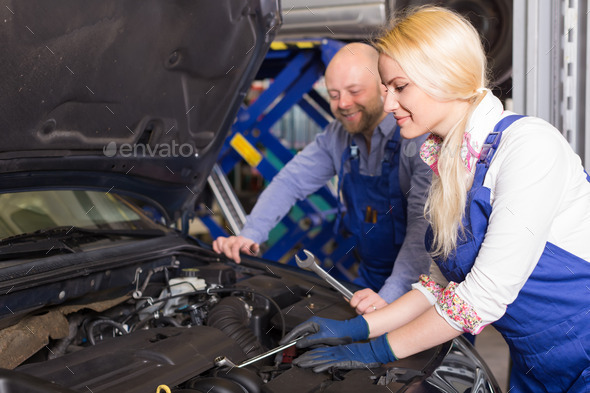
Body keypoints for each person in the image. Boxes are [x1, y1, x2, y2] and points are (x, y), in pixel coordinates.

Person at [279, 6, 590, 393]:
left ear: (444, 76)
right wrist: (355, 328)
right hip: (536, 367)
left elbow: (481, 297)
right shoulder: (451, 162)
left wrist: (376, 352)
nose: (389, 105)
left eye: (399, 86)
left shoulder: (529, 147)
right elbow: (441, 284)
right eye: (386, 88)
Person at [213, 42, 433, 313]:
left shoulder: (417, 138)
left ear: (384, 87)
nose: (343, 104)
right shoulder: (337, 136)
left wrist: (391, 297)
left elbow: (424, 230)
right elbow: (290, 182)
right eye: (333, 94)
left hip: (424, 286)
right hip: (370, 279)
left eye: (354, 91)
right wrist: (250, 234)